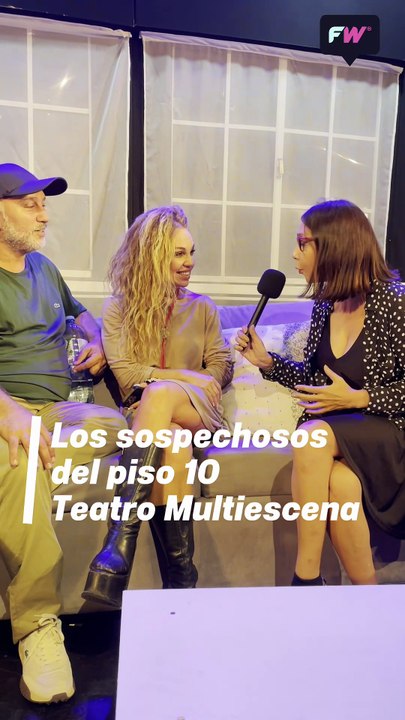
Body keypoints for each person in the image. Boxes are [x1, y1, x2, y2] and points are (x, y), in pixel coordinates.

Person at [0, 163, 126, 703]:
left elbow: (82, 315)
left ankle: (32, 466)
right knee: (23, 469)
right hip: (8, 408)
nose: (43, 215)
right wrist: (8, 411)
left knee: (117, 426)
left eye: (44, 204)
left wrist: (96, 338)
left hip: (59, 408)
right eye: (29, 204)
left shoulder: (45, 268)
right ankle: (37, 627)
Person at [236, 199, 404, 586]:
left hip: (390, 434)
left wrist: (361, 398)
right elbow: (316, 381)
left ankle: (305, 577)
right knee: (341, 485)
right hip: (340, 434)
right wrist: (268, 363)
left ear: (334, 246)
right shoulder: (326, 306)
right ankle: (368, 600)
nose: (295, 255)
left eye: (303, 243)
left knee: (310, 437)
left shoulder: (395, 302)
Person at [82, 205, 233, 606]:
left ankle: (119, 541)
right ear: (152, 257)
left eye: (191, 252)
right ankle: (181, 588)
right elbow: (127, 375)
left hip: (198, 411)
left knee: (161, 394)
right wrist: (187, 376)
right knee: (174, 445)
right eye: (179, 254)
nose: (190, 262)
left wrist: (197, 383)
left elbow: (220, 364)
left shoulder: (202, 307)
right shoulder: (118, 308)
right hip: (148, 418)